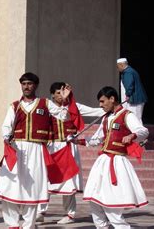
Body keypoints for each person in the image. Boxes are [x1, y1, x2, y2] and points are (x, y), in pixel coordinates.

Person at [0, 72, 71, 229]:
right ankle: (12, 224)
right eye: (24, 84)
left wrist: (65, 100)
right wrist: (7, 137)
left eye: (29, 83)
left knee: (33, 188)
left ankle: (29, 225)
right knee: (10, 187)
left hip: (36, 150)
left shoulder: (45, 103)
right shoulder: (14, 105)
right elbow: (6, 126)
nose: (26, 86)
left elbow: (65, 117)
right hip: (16, 148)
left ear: (35, 85)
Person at [79, 86, 148, 228]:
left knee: (112, 205)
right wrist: (78, 140)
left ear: (112, 99)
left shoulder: (127, 115)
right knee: (95, 200)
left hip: (117, 163)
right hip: (102, 162)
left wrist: (132, 135)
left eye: (103, 101)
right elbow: (96, 140)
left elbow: (143, 131)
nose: (100, 105)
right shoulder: (106, 118)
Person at [37, 82, 104, 224]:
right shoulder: (47, 107)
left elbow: (95, 111)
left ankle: (69, 214)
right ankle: (40, 212)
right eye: (57, 93)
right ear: (52, 94)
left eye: (62, 92)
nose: (60, 96)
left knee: (69, 181)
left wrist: (114, 108)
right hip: (51, 146)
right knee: (45, 179)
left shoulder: (74, 107)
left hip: (68, 146)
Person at [117, 58, 147, 123]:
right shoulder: (130, 71)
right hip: (134, 100)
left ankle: (138, 133)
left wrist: (128, 95)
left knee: (135, 119)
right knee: (135, 119)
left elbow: (129, 85)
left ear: (122, 65)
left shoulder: (128, 72)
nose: (117, 68)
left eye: (118, 66)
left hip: (134, 100)